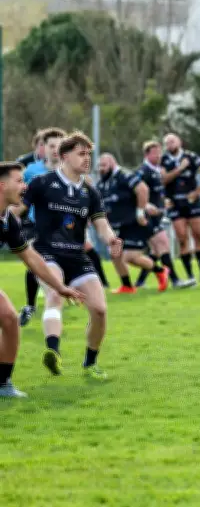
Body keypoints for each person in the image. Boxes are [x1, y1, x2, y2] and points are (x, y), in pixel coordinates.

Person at [16, 132, 123, 379]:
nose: (87, 160)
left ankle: (90, 363)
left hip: (77, 256)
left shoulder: (90, 192)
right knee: (54, 294)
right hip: (46, 251)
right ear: (64, 156)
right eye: (81, 154)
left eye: (89, 155)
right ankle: (53, 352)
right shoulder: (42, 184)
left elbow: (101, 224)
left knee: (100, 310)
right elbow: (16, 208)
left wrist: (111, 239)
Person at [0, 162, 86, 397]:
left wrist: (60, 287)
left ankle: (3, 383)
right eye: (19, 181)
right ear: (2, 185)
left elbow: (31, 258)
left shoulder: (9, 220)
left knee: (9, 319)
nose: (24, 186)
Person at [96, 153, 170, 294]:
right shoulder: (102, 183)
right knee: (115, 253)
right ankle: (127, 286)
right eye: (99, 166)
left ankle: (161, 270)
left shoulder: (124, 176)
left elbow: (142, 189)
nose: (101, 169)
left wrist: (140, 211)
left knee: (131, 257)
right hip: (117, 225)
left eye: (104, 165)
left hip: (134, 223)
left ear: (112, 163)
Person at [18, 128, 67, 326]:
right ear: (43, 148)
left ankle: (48, 301)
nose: (55, 150)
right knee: (34, 262)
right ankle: (34, 304)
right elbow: (19, 197)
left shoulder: (69, 171)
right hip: (34, 224)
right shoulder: (31, 171)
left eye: (59, 146)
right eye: (51, 146)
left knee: (52, 267)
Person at [161, 133, 200, 286]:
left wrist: (198, 191)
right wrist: (180, 168)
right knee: (182, 238)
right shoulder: (164, 160)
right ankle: (190, 276)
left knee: (198, 236)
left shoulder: (191, 157)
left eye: (172, 141)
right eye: (167, 142)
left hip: (192, 202)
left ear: (180, 142)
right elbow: (163, 179)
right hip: (174, 203)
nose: (170, 144)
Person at [134, 141, 183, 288]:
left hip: (158, 215)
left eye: (159, 152)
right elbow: (135, 191)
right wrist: (146, 205)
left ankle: (140, 282)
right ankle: (175, 280)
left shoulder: (157, 171)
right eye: (155, 152)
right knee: (163, 244)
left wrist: (164, 202)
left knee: (156, 251)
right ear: (147, 154)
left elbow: (156, 193)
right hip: (148, 217)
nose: (158, 155)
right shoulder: (142, 171)